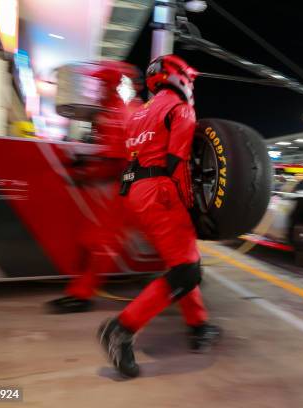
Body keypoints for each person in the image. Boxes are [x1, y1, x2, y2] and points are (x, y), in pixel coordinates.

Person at [97, 54, 221, 378]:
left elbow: (132, 158)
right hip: (162, 193)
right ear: (180, 77)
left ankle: (199, 326)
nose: (191, 85)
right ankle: (121, 329)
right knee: (186, 273)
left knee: (183, 259)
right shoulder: (181, 109)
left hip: (134, 194)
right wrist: (193, 207)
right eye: (190, 80)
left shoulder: (137, 114)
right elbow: (178, 164)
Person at [47, 61, 142, 314]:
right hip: (133, 187)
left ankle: (81, 294)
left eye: (101, 84)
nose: (97, 89)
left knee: (101, 241)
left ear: (112, 85)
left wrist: (84, 171)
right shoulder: (126, 108)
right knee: (96, 238)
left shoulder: (116, 112)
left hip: (131, 188)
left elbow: (116, 162)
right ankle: (186, 279)